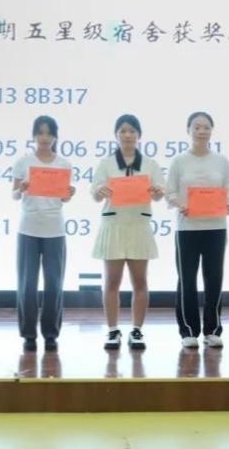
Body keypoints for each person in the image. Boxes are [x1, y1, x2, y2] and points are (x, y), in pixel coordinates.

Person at [91, 114, 165, 351]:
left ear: (139, 135)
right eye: (123, 131)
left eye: (132, 131)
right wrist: (100, 191)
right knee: (112, 282)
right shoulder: (106, 163)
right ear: (116, 135)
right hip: (114, 225)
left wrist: (157, 192)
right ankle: (113, 330)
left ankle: (137, 330)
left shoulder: (150, 164)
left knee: (140, 281)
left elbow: (160, 193)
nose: (127, 135)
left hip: (138, 225)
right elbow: (95, 194)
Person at [165, 111, 229, 349]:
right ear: (189, 130)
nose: (202, 131)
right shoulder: (179, 161)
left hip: (216, 227)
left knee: (214, 278)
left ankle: (212, 330)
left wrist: (226, 203)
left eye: (206, 127)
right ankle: (188, 330)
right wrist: (180, 204)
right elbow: (170, 191)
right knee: (187, 280)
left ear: (212, 131)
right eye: (197, 127)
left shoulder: (221, 161)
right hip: (187, 228)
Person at [11, 115, 74, 353]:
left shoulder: (63, 164)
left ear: (55, 136)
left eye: (49, 133)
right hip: (28, 228)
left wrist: (68, 194)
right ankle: (28, 334)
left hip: (54, 229)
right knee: (27, 284)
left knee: (54, 284)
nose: (44, 138)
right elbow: (14, 195)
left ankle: (50, 334)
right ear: (34, 136)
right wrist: (21, 188)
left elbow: (63, 198)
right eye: (40, 133)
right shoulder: (23, 162)